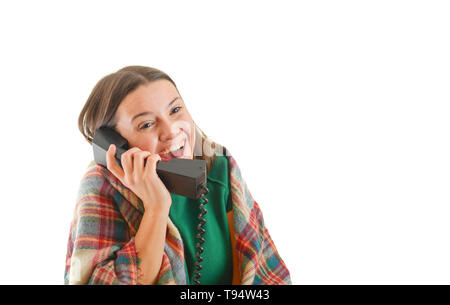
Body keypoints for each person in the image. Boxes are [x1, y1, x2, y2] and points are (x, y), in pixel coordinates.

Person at [65, 65, 291, 285]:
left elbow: (254, 273)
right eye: (146, 124)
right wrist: (157, 207)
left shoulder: (219, 167)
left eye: (175, 110)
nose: (172, 130)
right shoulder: (102, 185)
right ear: (114, 144)